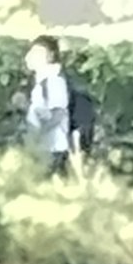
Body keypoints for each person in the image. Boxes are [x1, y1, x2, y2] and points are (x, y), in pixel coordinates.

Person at [24, 35, 78, 173]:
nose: (32, 57)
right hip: (44, 148)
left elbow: (58, 113)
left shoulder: (53, 81)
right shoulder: (42, 81)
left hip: (53, 149)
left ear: (50, 56)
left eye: (38, 53)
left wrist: (38, 135)